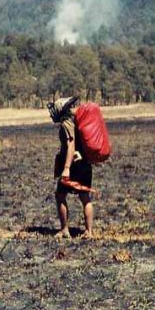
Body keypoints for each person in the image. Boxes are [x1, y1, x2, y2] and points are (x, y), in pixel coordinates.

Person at [48, 96, 94, 238]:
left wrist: (66, 168)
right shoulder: (76, 120)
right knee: (85, 197)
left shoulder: (66, 123)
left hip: (74, 165)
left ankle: (64, 229)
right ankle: (89, 231)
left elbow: (70, 145)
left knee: (60, 195)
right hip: (85, 163)